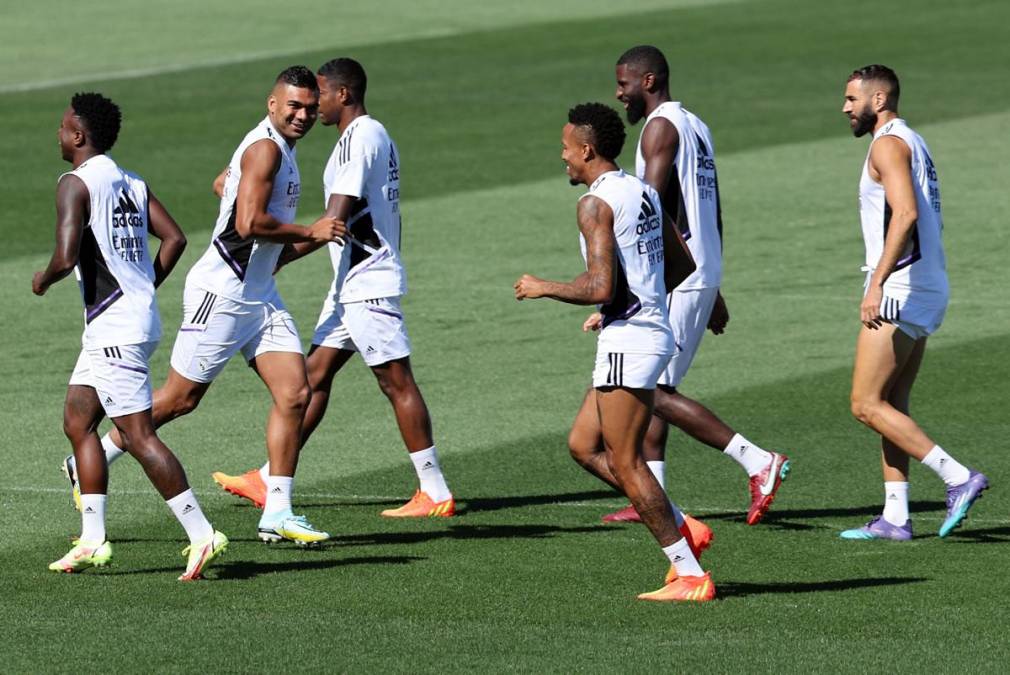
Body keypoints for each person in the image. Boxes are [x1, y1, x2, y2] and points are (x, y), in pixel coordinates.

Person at [61, 67, 343, 545]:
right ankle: (94, 455)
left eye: (310, 107)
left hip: (259, 294)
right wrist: (309, 231)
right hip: (223, 292)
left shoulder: (275, 151)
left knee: (296, 393)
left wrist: (237, 190)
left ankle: (277, 511)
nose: (302, 114)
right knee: (179, 400)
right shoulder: (266, 148)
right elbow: (250, 223)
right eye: (293, 105)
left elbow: (223, 185)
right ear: (272, 104)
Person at [212, 58, 454, 518]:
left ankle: (434, 489)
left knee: (395, 380)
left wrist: (283, 252)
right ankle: (269, 477)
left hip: (368, 279)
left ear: (342, 94)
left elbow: (334, 222)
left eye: (319, 95)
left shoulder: (360, 137)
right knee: (314, 376)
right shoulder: (364, 135)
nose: (311, 106)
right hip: (350, 281)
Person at [514, 102, 715, 601]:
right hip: (640, 332)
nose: (561, 157)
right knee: (584, 445)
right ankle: (677, 520)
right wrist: (627, 302)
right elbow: (682, 265)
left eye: (565, 148)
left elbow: (599, 283)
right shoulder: (641, 190)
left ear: (586, 149)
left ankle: (689, 572)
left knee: (627, 463)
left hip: (631, 341)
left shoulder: (594, 204)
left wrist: (544, 287)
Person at [36, 93, 227, 580]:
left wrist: (41, 280)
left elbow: (63, 257)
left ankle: (202, 533)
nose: (58, 135)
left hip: (115, 326)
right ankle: (93, 538)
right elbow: (176, 238)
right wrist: (142, 288)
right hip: (123, 321)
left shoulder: (74, 183)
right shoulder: (131, 181)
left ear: (79, 136)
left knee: (138, 436)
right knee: (78, 421)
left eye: (62, 128)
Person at [597, 45, 790, 526]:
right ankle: (654, 496)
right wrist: (714, 280)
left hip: (677, 278)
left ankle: (757, 460)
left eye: (623, 84)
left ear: (647, 82)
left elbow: (649, 208)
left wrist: (620, 283)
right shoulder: (695, 125)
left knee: (650, 388)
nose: (618, 93)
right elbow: (709, 210)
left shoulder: (660, 128)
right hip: (697, 272)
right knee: (658, 384)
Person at [839, 65, 988, 540]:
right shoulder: (912, 140)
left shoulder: (886, 144)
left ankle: (957, 477)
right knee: (892, 401)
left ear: (878, 100)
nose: (845, 108)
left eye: (851, 99)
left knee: (864, 403)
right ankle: (897, 516)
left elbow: (904, 212)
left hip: (901, 287)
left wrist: (876, 282)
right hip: (926, 284)